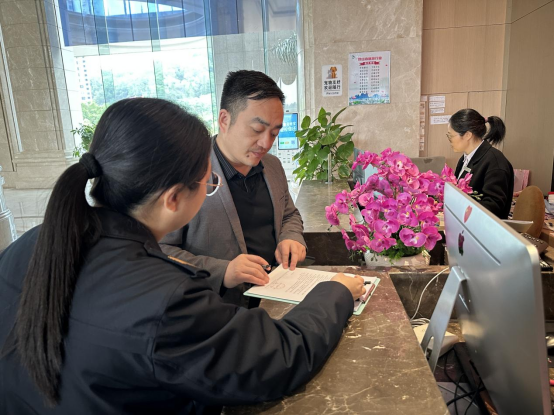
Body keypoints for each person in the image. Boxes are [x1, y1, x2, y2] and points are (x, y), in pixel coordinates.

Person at [0, 98, 365, 415]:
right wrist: (336, 291)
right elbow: (277, 357)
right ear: (173, 198)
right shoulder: (165, 299)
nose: (264, 142)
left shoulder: (30, 245)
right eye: (208, 183)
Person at [161, 70, 307, 308]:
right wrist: (223, 271)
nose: (266, 143)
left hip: (274, 298)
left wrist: (291, 237)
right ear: (224, 120)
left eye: (274, 133)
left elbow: (289, 214)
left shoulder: (272, 166)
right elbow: (161, 250)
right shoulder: (188, 172)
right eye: (257, 130)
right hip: (216, 310)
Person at [447, 108, 514, 219]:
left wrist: (462, 210)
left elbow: (494, 205)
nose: (450, 140)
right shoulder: (466, 158)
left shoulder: (495, 162)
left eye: (451, 136)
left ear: (467, 135)